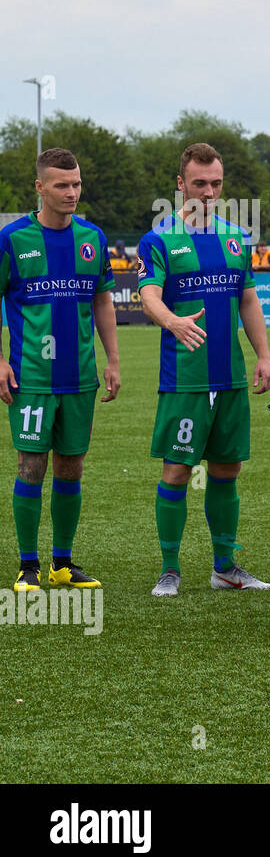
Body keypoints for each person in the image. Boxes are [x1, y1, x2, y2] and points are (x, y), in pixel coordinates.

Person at [137, 143, 270, 596]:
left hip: (230, 377)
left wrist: (264, 355)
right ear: (181, 185)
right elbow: (149, 294)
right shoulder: (159, 239)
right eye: (199, 183)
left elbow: (248, 300)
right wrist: (172, 320)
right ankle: (170, 568)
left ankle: (225, 566)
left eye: (216, 183)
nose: (209, 191)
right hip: (185, 378)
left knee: (227, 470)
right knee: (177, 471)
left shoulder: (236, 238)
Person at [1, 148, 119, 593]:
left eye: (76, 184)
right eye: (61, 186)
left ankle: (62, 564)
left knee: (71, 468)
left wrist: (113, 360)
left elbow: (103, 299)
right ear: (39, 188)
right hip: (29, 376)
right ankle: (27, 565)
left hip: (79, 378)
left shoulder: (92, 238)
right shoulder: (12, 239)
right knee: (31, 466)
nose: (71, 193)